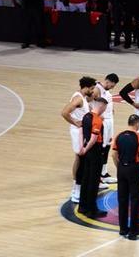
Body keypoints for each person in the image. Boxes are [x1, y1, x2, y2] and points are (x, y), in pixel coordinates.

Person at [62, 76, 98, 204]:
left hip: (82, 131)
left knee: (80, 158)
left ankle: (78, 185)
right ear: (87, 87)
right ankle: (75, 189)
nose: (93, 91)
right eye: (92, 88)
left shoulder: (82, 97)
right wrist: (75, 122)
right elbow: (64, 112)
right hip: (78, 131)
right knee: (80, 158)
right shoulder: (78, 98)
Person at [112, 113, 139, 240]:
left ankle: (122, 229)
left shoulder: (119, 135)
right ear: (137, 123)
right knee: (135, 199)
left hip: (121, 168)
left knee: (122, 199)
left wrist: (119, 167)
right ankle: (133, 232)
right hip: (133, 169)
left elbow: (113, 154)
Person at [77, 96, 109, 218]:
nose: (104, 111)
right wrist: (87, 148)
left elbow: (81, 131)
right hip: (94, 151)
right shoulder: (97, 119)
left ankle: (82, 206)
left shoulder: (86, 116)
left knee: (85, 179)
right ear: (101, 106)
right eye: (104, 108)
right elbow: (94, 138)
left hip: (86, 150)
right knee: (93, 181)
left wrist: (82, 147)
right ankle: (92, 209)